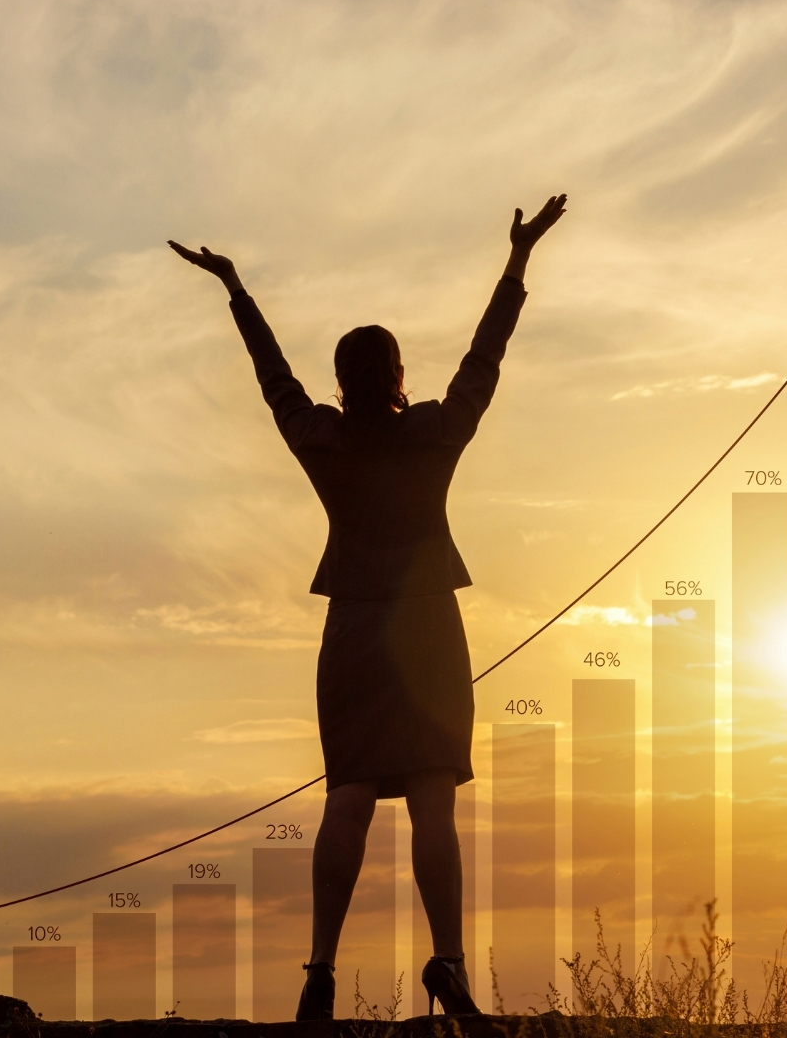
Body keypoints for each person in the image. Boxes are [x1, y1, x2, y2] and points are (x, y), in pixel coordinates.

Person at [168, 194, 567, 1019]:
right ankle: (449, 965)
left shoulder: (321, 439)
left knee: (347, 795)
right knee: (432, 798)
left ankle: (318, 971)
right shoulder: (432, 435)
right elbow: (482, 362)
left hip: (352, 629)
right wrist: (518, 259)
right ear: (395, 377)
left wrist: (236, 289)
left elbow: (272, 379)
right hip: (425, 629)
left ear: (341, 383)